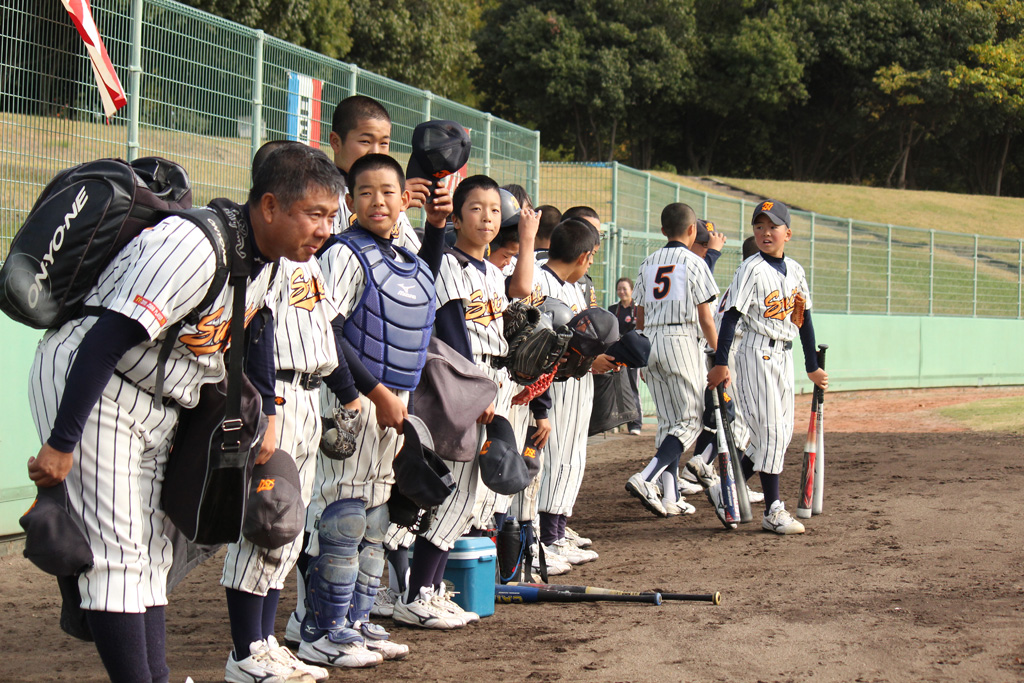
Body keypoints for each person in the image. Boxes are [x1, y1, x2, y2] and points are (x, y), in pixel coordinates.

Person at [26, 143, 342, 683]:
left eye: (331, 217)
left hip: (154, 395)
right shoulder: (193, 245)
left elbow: (248, 338)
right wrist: (61, 443)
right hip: (96, 384)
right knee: (118, 558)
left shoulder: (272, 265)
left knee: (151, 554)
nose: (324, 230)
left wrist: (260, 410)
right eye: (314, 214)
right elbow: (104, 341)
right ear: (269, 206)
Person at [290, 153, 452, 665]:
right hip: (351, 399)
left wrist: (436, 227)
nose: (377, 201)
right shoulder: (343, 254)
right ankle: (323, 630)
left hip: (389, 399)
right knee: (342, 516)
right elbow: (328, 333)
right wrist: (369, 392)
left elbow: (417, 290)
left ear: (405, 199)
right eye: (365, 193)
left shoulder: (401, 251)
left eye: (388, 192)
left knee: (377, 517)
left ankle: (356, 622)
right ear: (349, 203)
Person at [219, 140, 339, 683]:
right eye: (314, 212)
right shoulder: (264, 256)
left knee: (288, 529)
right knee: (264, 526)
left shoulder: (300, 259)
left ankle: (264, 642)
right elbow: (253, 339)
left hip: (305, 396)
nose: (322, 227)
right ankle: (246, 650)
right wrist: (263, 407)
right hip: (276, 396)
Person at [394, 175, 538, 629]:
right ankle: (417, 594)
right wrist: (476, 392)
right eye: (476, 208)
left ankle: (428, 590)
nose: (487, 218)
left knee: (466, 501)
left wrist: (528, 241)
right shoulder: (448, 265)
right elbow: (452, 334)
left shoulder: (493, 272)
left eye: (495, 210)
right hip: (460, 385)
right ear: (455, 218)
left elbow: (518, 293)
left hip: (486, 384)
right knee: (453, 497)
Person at [708, 200, 829, 535]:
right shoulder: (751, 268)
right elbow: (731, 318)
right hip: (756, 353)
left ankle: (727, 486)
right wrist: (720, 363)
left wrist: (812, 366)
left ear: (787, 233)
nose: (764, 233)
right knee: (772, 433)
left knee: (776, 437)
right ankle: (774, 509)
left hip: (784, 356)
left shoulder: (796, 271)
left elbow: (803, 321)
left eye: (772, 227)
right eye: (758, 227)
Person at [624, 203, 720, 518]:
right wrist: (720, 354)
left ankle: (671, 495)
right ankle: (646, 477)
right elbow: (706, 319)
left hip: (649, 341)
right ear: (692, 231)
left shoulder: (647, 263)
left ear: (663, 230)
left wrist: (640, 353)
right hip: (681, 340)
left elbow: (637, 315)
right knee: (691, 420)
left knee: (668, 421)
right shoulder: (695, 262)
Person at [534, 219, 602, 563]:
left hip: (578, 382)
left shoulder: (573, 287)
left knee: (573, 458)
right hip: (555, 385)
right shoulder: (542, 281)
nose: (590, 265)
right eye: (591, 259)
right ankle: (547, 537)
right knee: (556, 456)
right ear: (583, 256)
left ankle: (558, 531)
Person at [327, 95, 432, 249]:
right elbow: (326, 257)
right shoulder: (322, 193)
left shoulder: (393, 202)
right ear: (336, 142)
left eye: (383, 143)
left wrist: (436, 226)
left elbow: (421, 266)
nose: (375, 151)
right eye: (365, 141)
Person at [608, 277, 643, 435]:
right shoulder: (613, 309)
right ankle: (617, 422)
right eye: (619, 289)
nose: (622, 292)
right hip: (617, 354)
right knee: (617, 387)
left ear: (632, 290)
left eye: (625, 288)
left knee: (632, 387)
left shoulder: (637, 309)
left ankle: (635, 423)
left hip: (632, 354)